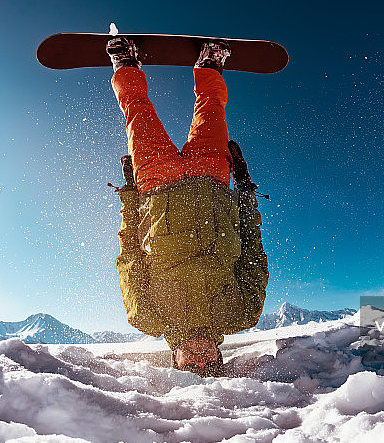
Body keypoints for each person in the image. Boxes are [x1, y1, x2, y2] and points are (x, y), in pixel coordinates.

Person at [108, 36, 268, 377]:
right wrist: (245, 187)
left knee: (137, 112)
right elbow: (252, 245)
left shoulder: (147, 316)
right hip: (213, 181)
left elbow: (129, 254)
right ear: (220, 358)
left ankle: (124, 64)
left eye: (192, 365)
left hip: (156, 186)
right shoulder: (243, 312)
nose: (200, 356)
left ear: (176, 363)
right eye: (210, 363)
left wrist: (130, 195)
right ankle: (209, 66)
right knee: (212, 109)